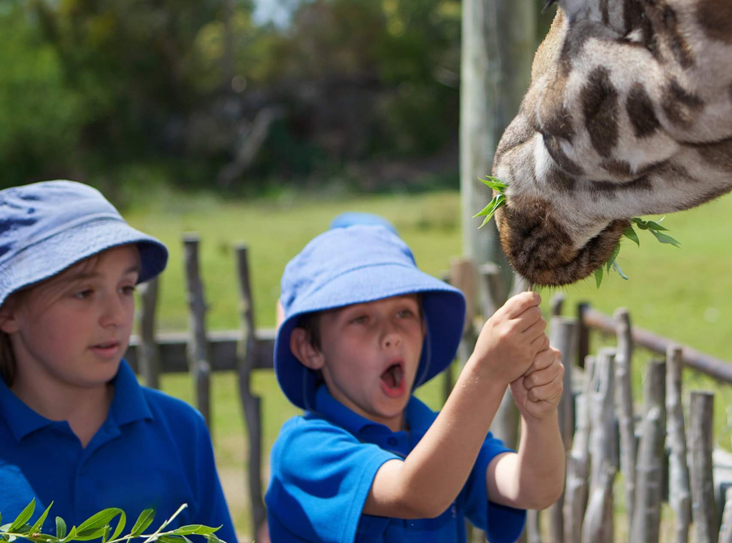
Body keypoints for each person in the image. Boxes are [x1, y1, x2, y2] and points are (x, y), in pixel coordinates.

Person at [266, 214, 566, 543]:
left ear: (424, 329)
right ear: (309, 347)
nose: (391, 334)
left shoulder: (439, 434)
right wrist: (486, 373)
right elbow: (416, 494)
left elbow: (534, 489)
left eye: (403, 313)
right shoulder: (304, 449)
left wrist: (539, 417)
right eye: (361, 318)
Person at [0, 181, 237, 542]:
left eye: (126, 289)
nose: (116, 315)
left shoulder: (180, 430)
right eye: (84, 292)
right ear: (9, 311)